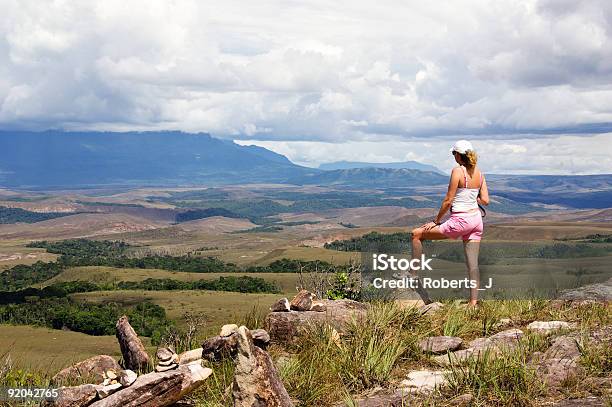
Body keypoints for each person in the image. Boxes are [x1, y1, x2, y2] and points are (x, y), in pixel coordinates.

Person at [411, 140, 489, 306]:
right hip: (476, 221)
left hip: (460, 220)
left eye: (454, 153)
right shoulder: (480, 174)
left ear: (459, 155)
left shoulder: (457, 171)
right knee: (472, 264)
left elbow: (448, 201)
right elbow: (486, 200)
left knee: (416, 234)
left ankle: (413, 274)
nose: (453, 157)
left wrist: (435, 221)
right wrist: (472, 197)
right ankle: (473, 303)